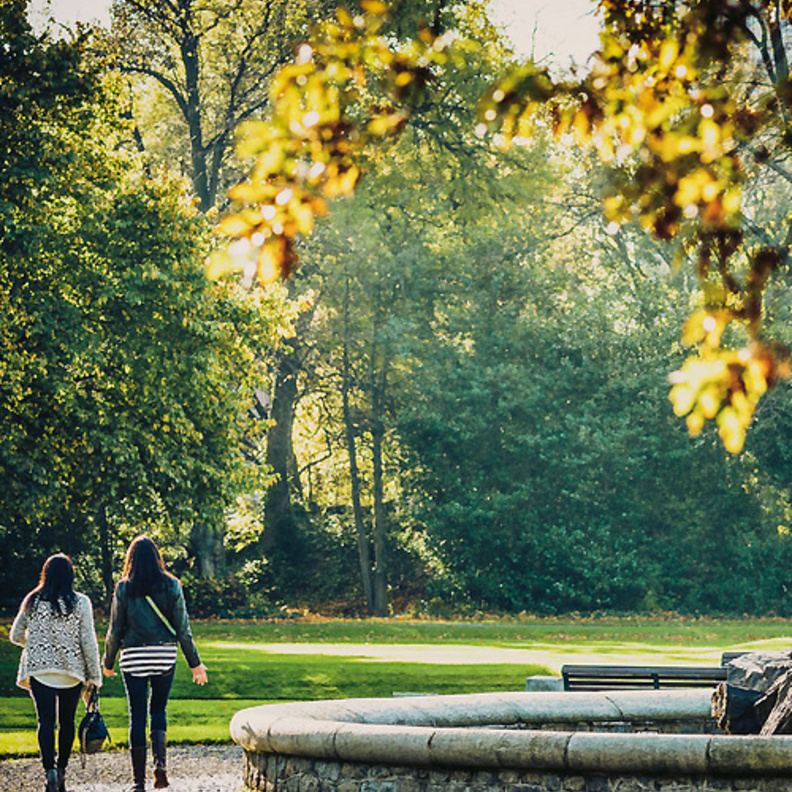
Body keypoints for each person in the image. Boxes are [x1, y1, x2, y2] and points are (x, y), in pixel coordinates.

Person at [103, 535, 208, 791]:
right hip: (164, 655)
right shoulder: (172, 585)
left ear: (131, 559)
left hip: (134, 657)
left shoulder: (124, 587)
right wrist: (195, 664)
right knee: (158, 710)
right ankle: (160, 766)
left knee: (137, 715)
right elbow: (183, 629)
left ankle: (138, 782)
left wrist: (108, 662)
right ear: (156, 557)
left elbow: (115, 629)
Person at [10, 553, 103, 792]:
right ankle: (61, 771)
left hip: (41, 672)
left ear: (46, 574)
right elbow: (88, 642)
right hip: (71, 674)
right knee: (67, 722)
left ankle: (49, 771)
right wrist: (95, 676)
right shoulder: (81, 602)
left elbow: (15, 635)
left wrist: (38, 645)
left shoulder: (32, 600)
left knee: (45, 721)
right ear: (70, 576)